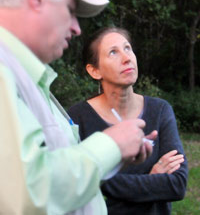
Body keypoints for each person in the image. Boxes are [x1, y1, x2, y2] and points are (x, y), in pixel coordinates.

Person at [0, 0, 157, 215]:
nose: (76, 29)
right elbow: (26, 194)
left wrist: (114, 156)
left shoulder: (27, 79)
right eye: (71, 10)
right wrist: (112, 144)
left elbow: (51, 176)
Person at [67, 27, 188, 215]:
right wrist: (152, 179)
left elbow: (177, 185)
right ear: (94, 70)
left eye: (128, 48)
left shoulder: (160, 110)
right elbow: (73, 189)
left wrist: (102, 182)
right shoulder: (77, 118)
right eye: (113, 52)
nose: (126, 58)